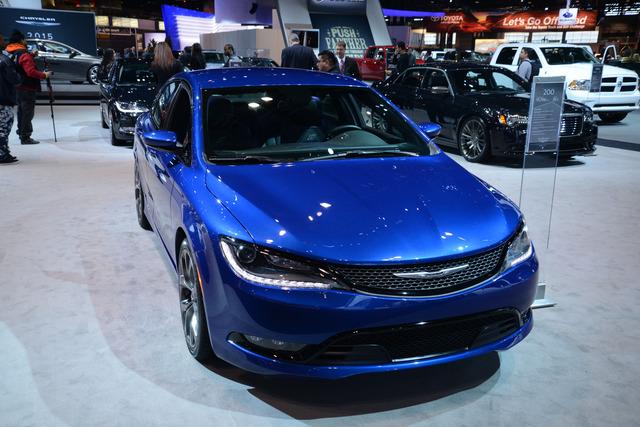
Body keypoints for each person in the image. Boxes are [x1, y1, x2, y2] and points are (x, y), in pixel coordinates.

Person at [5, 30, 52, 145]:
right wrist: (44, 75)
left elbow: (19, 62)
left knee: (21, 111)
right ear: (21, 40)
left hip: (16, 86)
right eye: (25, 39)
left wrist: (31, 55)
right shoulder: (24, 54)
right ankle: (25, 136)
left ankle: (21, 131)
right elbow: (30, 71)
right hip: (27, 87)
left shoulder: (10, 52)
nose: (26, 41)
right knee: (28, 113)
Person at [0, 34, 21, 164]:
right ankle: (2, 154)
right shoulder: (5, 60)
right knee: (4, 127)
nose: (5, 42)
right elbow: (14, 79)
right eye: (2, 40)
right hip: (4, 98)